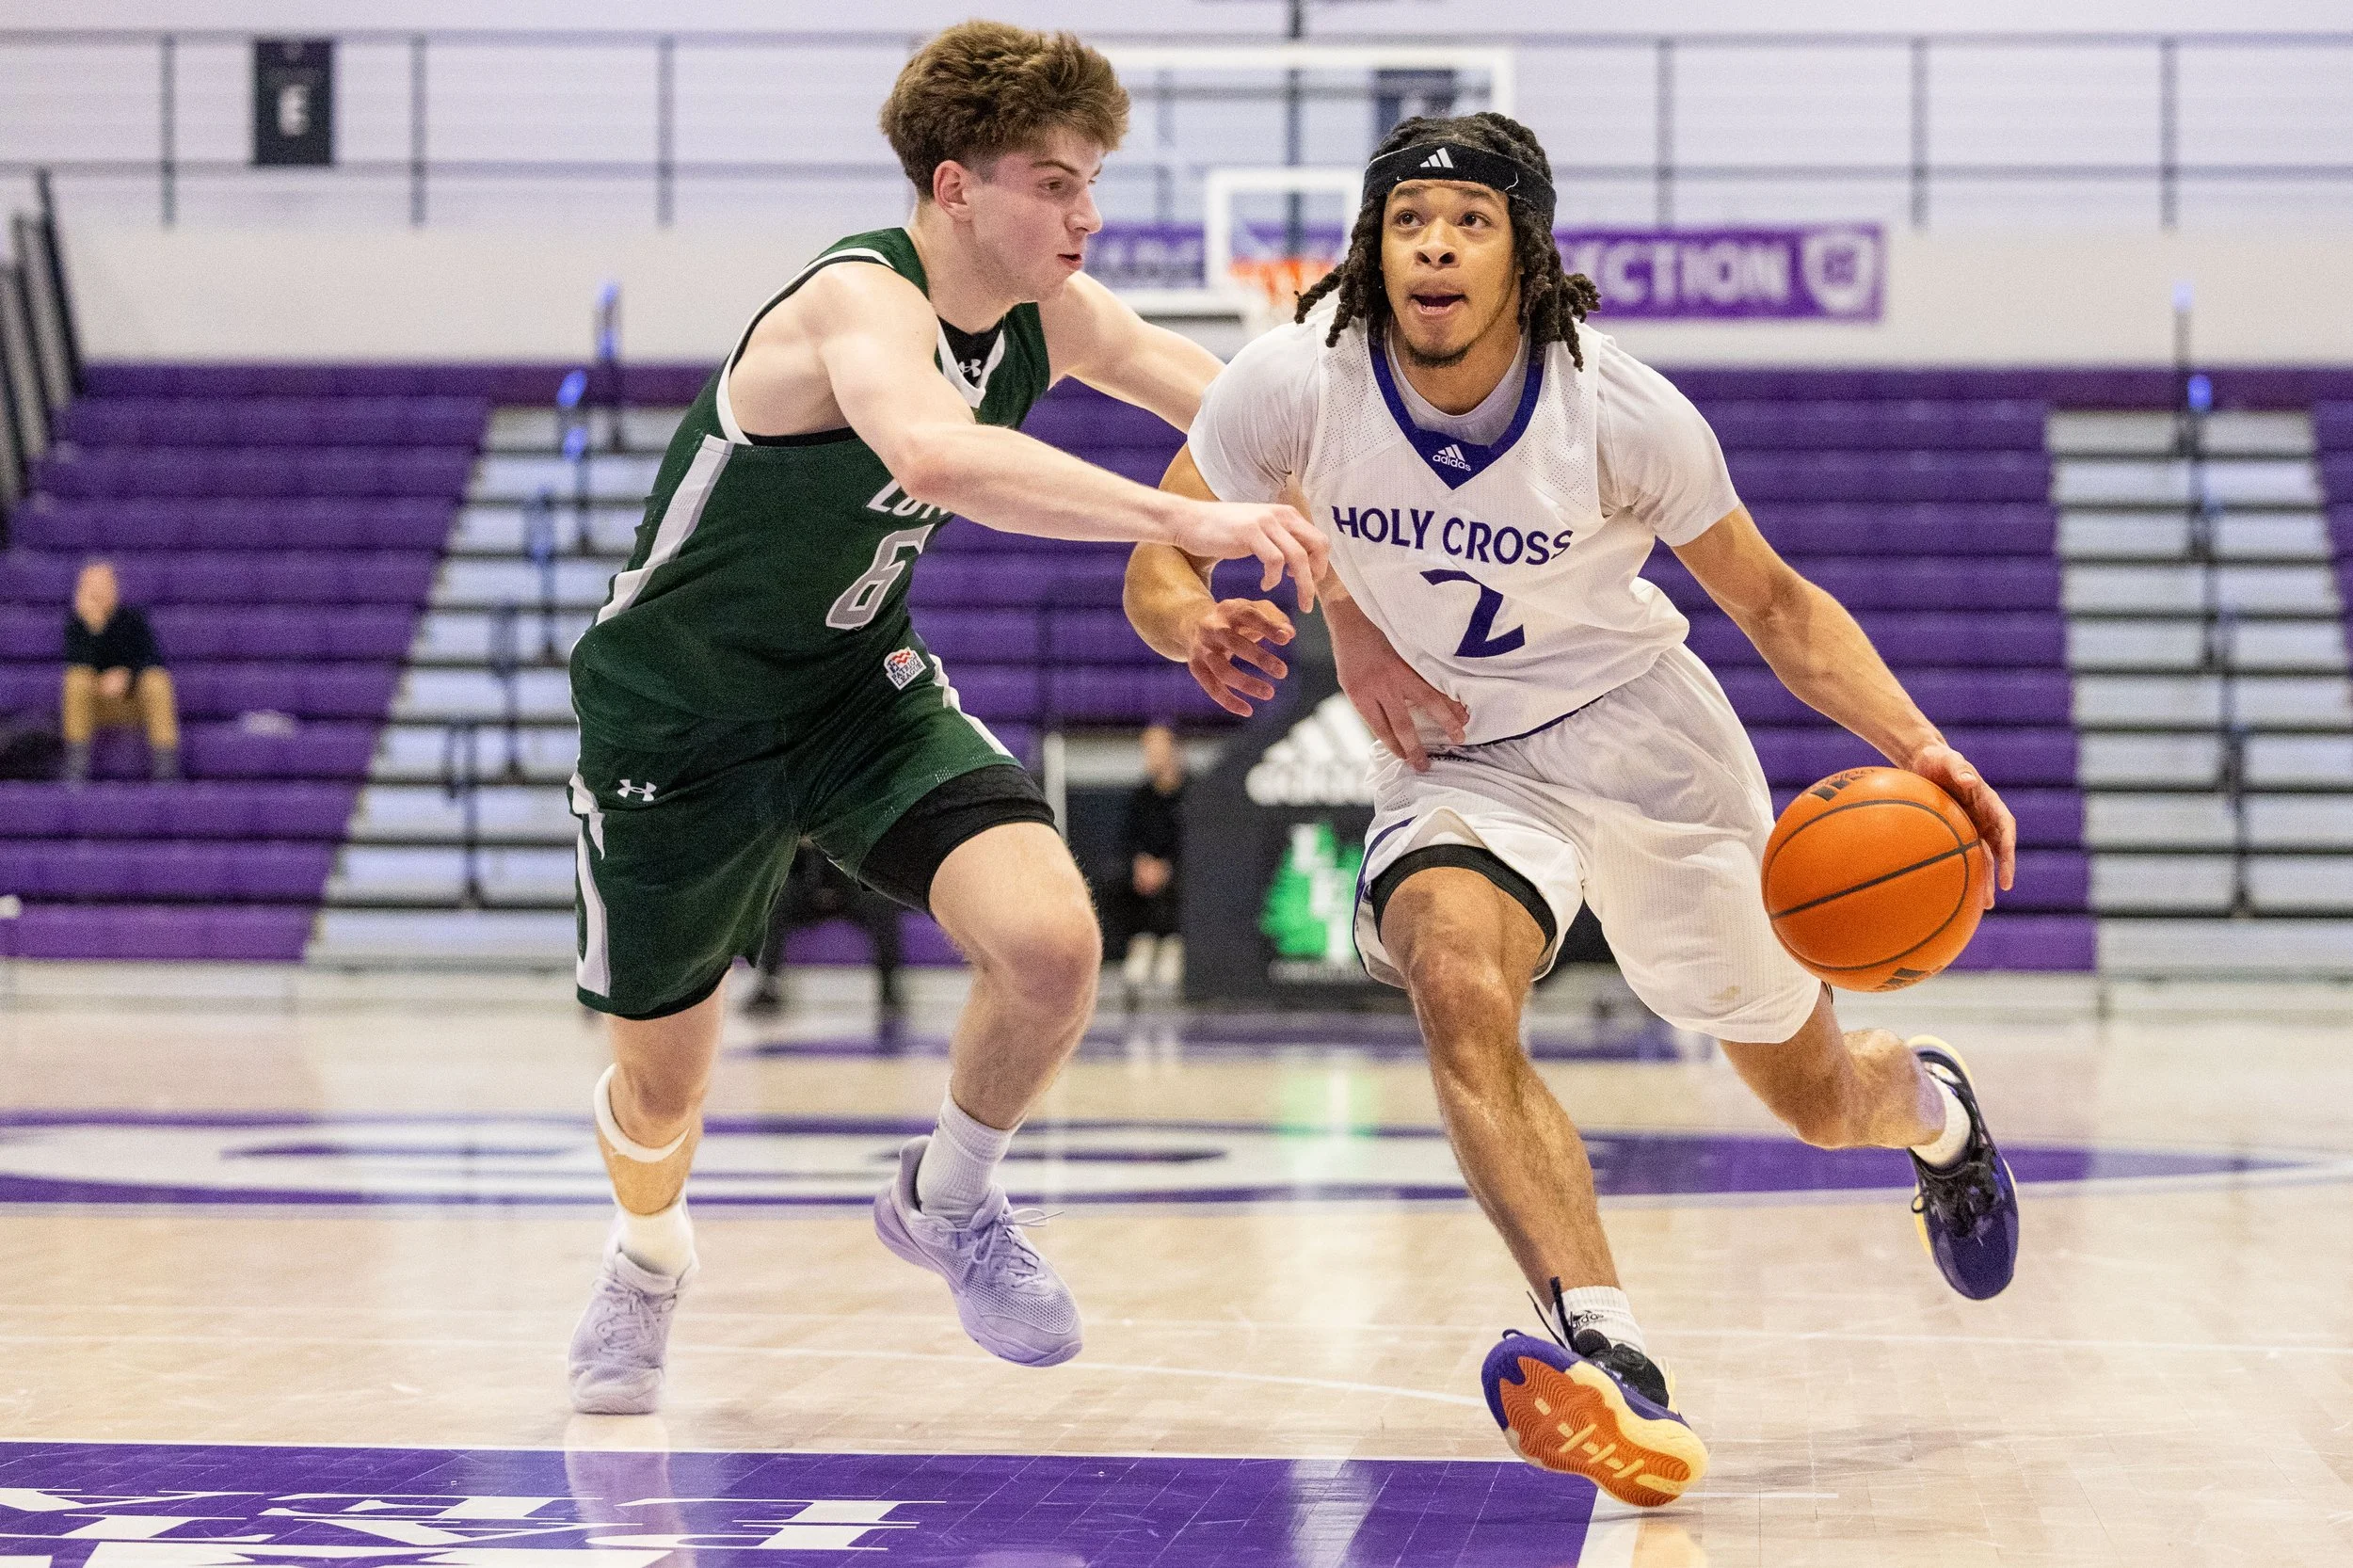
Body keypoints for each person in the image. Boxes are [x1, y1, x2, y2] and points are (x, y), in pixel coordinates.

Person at [1122, 112, 2023, 1509]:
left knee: (1817, 1098)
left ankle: (1931, 1107)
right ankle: (1608, 1348)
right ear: (1371, 248)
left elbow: (1777, 607)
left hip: (1644, 739)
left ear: (1524, 256)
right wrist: (1193, 623)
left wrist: (1924, 746)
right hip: (1458, 753)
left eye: (1469, 222)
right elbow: (1158, 558)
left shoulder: (1619, 410)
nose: (1434, 244)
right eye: (1408, 220)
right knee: (1452, 974)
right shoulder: (1291, 382)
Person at [560, 21, 1325, 1415]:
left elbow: (1237, 404)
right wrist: (1187, 521)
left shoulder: (1059, 314)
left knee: (1052, 946)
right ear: (955, 187)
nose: (1086, 215)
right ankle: (646, 1256)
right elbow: (935, 453)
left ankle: (950, 1196)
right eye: (1054, 182)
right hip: (677, 718)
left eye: (1091, 182)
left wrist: (1407, 458)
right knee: (662, 1091)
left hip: (854, 690)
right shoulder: (858, 299)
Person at [742, 839, 906, 1019]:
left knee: (880, 903)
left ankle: (889, 987)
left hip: (848, 881)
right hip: (803, 877)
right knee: (776, 900)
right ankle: (769, 984)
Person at [61, 559, 180, 784]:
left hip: (134, 702)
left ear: (114, 587)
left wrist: (127, 677)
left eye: (103, 584)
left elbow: (151, 658)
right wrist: (95, 629)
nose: (98, 591)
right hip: (96, 704)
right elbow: (78, 663)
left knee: (157, 680)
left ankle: (166, 770)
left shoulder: (133, 619)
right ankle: (76, 769)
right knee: (76, 680)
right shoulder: (77, 625)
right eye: (91, 586)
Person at [1102, 721, 1186, 1004]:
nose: (1151, 757)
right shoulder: (1141, 795)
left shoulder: (1193, 793)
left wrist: (1168, 868)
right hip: (1146, 871)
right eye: (1147, 750)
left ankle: (1174, 944)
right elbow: (1129, 839)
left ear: (1174, 752)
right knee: (1115, 878)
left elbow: (1198, 843)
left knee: (1188, 881)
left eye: (1157, 750)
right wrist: (1140, 863)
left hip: (1179, 869)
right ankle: (1141, 941)